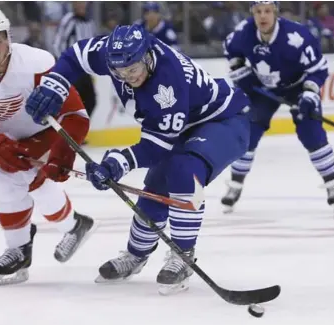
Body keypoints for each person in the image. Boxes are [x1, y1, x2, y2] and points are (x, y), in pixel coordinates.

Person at [24, 24, 251, 295]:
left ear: (147, 57)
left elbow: (156, 146)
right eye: (119, 73)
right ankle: (136, 254)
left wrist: (116, 163)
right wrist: (55, 86)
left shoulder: (168, 82)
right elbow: (75, 55)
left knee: (183, 170)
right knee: (155, 185)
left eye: (133, 70)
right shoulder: (116, 54)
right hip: (185, 124)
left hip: (226, 121)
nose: (127, 77)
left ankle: (183, 254)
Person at [0, 8, 95, 286]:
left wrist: (62, 153)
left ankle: (21, 247)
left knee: (13, 179)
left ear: (9, 38)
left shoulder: (36, 63)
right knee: (13, 179)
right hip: (9, 141)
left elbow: (76, 114)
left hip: (47, 135)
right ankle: (71, 227)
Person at [221, 1, 334, 213]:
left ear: (275, 12)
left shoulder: (297, 37)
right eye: (258, 11)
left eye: (267, 11)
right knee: (247, 132)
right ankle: (235, 184)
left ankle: (332, 184)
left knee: (312, 134)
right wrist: (242, 74)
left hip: (297, 88)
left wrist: (309, 94)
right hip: (263, 90)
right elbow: (230, 50)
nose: (262, 16)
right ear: (252, 13)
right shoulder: (243, 32)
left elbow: (318, 69)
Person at [53, 1, 97, 120]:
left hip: (84, 71)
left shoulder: (89, 22)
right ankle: (71, 136)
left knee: (91, 101)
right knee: (72, 105)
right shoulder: (68, 20)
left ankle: (78, 135)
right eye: (77, 2)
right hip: (72, 70)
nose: (80, 4)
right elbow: (57, 44)